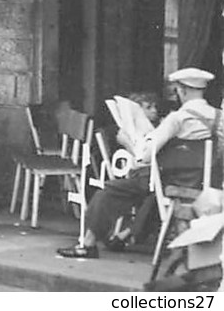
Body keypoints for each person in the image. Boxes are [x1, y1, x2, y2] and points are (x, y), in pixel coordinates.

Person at [59, 68, 224, 259]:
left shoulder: (177, 118)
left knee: (111, 191)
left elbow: (146, 155)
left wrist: (130, 143)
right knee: (153, 198)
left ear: (182, 91)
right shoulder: (219, 118)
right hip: (204, 185)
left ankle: (88, 243)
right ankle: (124, 235)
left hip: (166, 182)